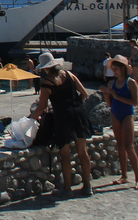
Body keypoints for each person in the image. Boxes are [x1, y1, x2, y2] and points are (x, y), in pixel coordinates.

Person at [29, 52, 93, 197]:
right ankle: (88, 186)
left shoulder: (46, 83)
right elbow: (83, 93)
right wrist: (77, 105)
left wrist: (30, 119)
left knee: (65, 154)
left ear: (45, 68)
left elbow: (42, 107)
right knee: (83, 152)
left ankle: (68, 188)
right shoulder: (69, 75)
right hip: (79, 114)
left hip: (63, 117)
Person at [99, 54, 138, 190]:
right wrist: (107, 93)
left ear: (123, 69)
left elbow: (134, 102)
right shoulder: (112, 83)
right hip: (115, 113)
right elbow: (109, 104)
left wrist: (116, 95)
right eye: (113, 68)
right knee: (120, 146)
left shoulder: (131, 83)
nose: (114, 71)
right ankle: (124, 176)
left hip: (127, 114)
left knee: (129, 146)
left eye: (116, 68)